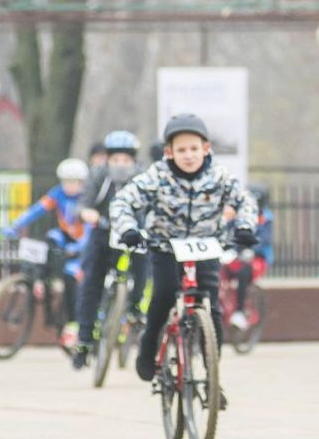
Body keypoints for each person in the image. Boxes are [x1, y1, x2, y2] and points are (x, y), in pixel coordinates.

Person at [110, 113, 259, 389]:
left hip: (206, 245)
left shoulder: (219, 177)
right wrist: (128, 229)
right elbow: (122, 202)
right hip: (165, 245)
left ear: (206, 149)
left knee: (211, 303)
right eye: (181, 150)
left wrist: (245, 227)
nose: (188, 155)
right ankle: (149, 343)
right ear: (169, 152)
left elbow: (245, 201)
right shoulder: (157, 176)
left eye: (194, 149)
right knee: (164, 294)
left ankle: (211, 367)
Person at [73, 131, 148, 370]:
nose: (120, 165)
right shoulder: (98, 175)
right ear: (108, 160)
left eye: (126, 160)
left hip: (134, 235)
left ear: (133, 161)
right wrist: (88, 213)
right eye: (115, 159)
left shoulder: (143, 178)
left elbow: (152, 206)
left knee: (143, 263)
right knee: (91, 282)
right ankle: (84, 340)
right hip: (104, 235)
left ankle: (135, 308)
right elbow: (84, 203)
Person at [2, 158, 91, 347]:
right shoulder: (57, 194)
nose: (69, 186)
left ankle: (72, 324)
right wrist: (15, 225)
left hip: (81, 243)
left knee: (71, 276)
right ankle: (40, 282)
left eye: (73, 182)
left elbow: (91, 228)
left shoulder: (86, 198)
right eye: (66, 181)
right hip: (64, 236)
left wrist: (79, 247)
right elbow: (37, 210)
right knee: (48, 242)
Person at [223, 183, 274, 330]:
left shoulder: (266, 219)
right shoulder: (236, 216)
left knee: (244, 272)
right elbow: (229, 232)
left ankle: (239, 312)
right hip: (235, 256)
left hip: (258, 258)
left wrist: (251, 250)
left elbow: (264, 239)